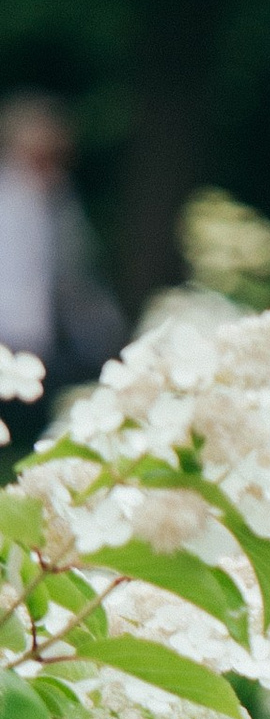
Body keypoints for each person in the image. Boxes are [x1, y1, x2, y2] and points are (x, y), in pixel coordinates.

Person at [0, 94, 124, 451]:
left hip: (40, 341)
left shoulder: (60, 201)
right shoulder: (10, 196)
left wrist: (107, 329)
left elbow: (76, 274)